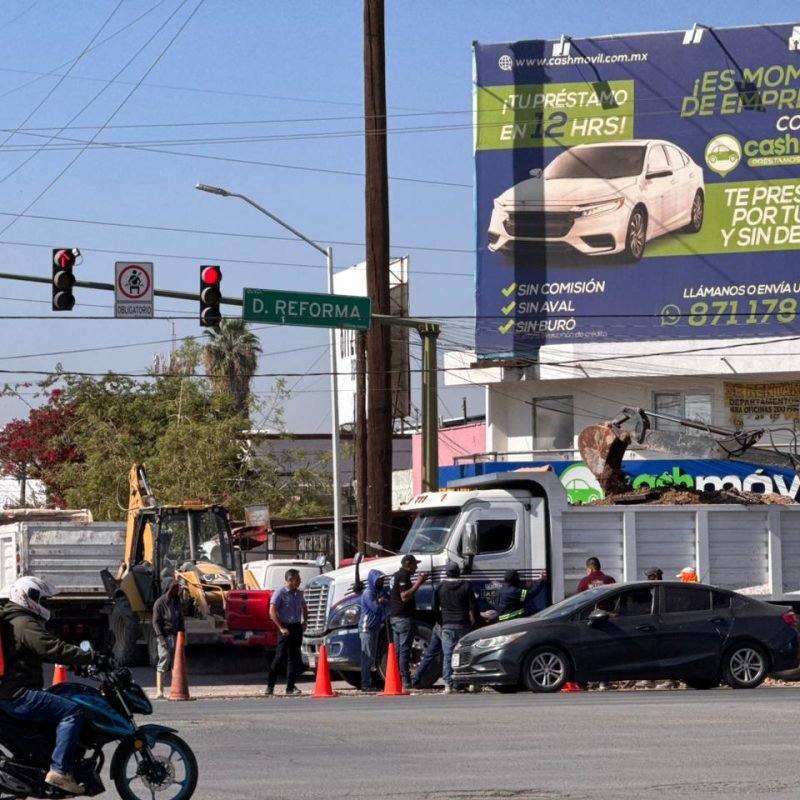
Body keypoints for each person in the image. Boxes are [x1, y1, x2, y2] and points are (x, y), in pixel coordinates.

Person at [0, 577, 94, 795]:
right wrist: (89, 657)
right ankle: (59, 771)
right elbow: (50, 648)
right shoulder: (23, 622)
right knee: (72, 711)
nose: (46, 604)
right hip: (18, 694)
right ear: (29, 597)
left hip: (13, 691)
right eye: (42, 599)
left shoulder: (15, 619)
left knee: (59, 696)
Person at [436, 561, 477, 693]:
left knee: (448, 655)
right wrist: (473, 620)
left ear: (447, 572)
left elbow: (434, 606)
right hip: (463, 624)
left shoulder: (441, 587)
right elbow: (472, 606)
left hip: (447, 625)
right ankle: (470, 682)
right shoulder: (465, 586)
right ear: (458, 572)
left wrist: (441, 621)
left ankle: (448, 685)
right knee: (465, 655)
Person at [265, 569, 308, 696]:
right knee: (279, 657)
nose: (299, 582)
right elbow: (272, 611)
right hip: (284, 626)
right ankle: (270, 686)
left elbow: (304, 608)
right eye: (297, 580)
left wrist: (305, 621)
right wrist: (281, 627)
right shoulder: (280, 592)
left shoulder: (299, 594)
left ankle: (290, 686)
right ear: (290, 580)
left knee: (294, 658)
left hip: (296, 626)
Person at [389, 554, 428, 689]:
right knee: (404, 650)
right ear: (407, 564)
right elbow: (404, 597)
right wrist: (419, 582)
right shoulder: (404, 576)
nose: (416, 567)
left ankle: (396, 679)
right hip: (403, 618)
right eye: (414, 564)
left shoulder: (395, 575)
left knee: (398, 651)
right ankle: (406, 680)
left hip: (395, 617)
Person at [576, 558, 616, 690]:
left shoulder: (584, 582)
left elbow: (578, 602)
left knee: (586, 651)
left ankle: (583, 682)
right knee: (605, 651)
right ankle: (603, 682)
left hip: (589, 620)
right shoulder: (609, 580)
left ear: (590, 568)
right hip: (607, 620)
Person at [151, 578, 185, 699]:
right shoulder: (159, 603)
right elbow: (155, 622)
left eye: (178, 588)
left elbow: (181, 619)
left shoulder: (177, 602)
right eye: (175, 588)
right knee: (164, 660)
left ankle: (174, 689)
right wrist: (161, 638)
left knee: (176, 663)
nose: (177, 590)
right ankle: (159, 691)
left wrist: (182, 635)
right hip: (164, 636)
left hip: (176, 636)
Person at [359, 569, 388, 692]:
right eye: (379, 579)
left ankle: (370, 682)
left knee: (372, 657)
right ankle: (366, 684)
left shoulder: (379, 592)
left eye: (382, 579)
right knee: (367, 656)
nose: (381, 581)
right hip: (367, 628)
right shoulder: (368, 593)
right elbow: (375, 608)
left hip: (375, 626)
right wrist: (381, 602)